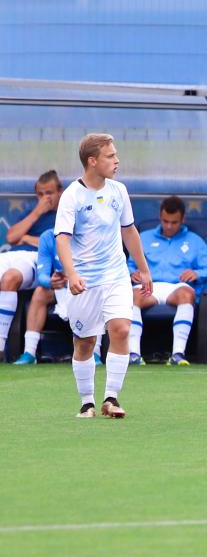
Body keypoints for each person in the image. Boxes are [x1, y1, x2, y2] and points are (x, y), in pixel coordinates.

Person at [55, 134, 152, 419]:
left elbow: (129, 230)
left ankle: (111, 398)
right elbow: (62, 238)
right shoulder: (72, 195)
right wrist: (72, 274)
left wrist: (144, 269)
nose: (117, 160)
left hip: (116, 276)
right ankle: (87, 402)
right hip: (85, 282)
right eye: (110, 156)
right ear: (92, 161)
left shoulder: (119, 190)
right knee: (85, 341)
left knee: (121, 329)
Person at [125, 196, 207, 365]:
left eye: (174, 222)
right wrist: (132, 273)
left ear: (183, 220)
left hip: (177, 288)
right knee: (130, 296)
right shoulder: (144, 237)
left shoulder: (194, 240)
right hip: (149, 287)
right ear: (160, 217)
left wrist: (197, 273)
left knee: (187, 294)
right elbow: (128, 264)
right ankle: (134, 354)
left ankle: (178, 354)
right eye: (165, 221)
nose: (169, 226)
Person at [1, 170, 62, 355]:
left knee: (10, 278)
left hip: (37, 259)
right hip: (11, 255)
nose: (45, 198)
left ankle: (1, 347)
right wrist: (37, 212)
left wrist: (26, 238)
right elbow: (11, 237)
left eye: (49, 193)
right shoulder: (33, 212)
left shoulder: (65, 214)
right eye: (40, 194)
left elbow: (57, 244)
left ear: (59, 192)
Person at [12, 229, 73, 365]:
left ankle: (95, 353)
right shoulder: (48, 236)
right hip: (62, 287)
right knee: (40, 292)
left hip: (87, 285)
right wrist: (51, 281)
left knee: (94, 292)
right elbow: (43, 274)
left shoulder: (90, 234)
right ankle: (29, 352)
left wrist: (75, 279)